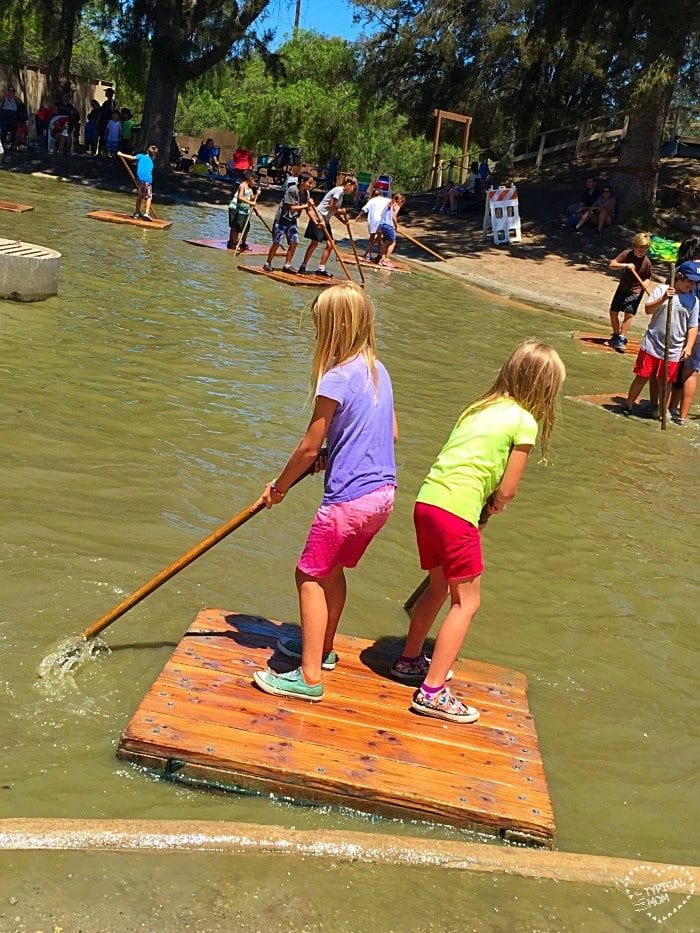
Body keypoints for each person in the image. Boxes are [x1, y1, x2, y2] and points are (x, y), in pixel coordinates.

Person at [390, 340, 566, 723]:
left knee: (439, 586)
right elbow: (507, 488)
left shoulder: (479, 407)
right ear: (546, 388)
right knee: (467, 602)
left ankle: (409, 661)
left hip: (428, 502)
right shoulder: (525, 421)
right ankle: (432, 691)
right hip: (457, 512)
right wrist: (495, 505)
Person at [253, 282, 397, 701]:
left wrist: (278, 488)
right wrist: (337, 452)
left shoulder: (336, 377)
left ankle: (309, 678)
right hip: (382, 496)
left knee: (309, 575)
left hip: (348, 500)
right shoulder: (377, 370)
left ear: (332, 329)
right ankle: (325, 649)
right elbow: (390, 432)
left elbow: (308, 447)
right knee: (332, 571)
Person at [625, 261, 700, 418]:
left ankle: (661, 412)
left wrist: (688, 346)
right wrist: (664, 298)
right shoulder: (662, 289)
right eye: (689, 281)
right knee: (642, 376)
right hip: (652, 344)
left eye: (695, 282)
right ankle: (629, 405)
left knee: (666, 383)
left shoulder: (694, 301)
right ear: (679, 277)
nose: (692, 285)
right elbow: (648, 309)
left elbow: (693, 326)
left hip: (674, 349)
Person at [298, 175, 358, 278]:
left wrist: (344, 221)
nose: (352, 191)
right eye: (353, 188)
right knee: (314, 243)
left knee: (330, 244)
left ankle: (321, 268)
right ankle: (303, 265)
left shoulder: (341, 194)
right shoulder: (338, 191)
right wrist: (343, 211)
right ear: (349, 185)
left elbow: (334, 211)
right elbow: (332, 207)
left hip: (325, 219)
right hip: (319, 217)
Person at [606, 233, 653, 352]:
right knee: (613, 311)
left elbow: (648, 277)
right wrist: (626, 265)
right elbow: (612, 265)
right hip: (623, 288)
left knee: (629, 314)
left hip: (636, 291)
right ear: (634, 246)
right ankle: (616, 335)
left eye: (644, 251)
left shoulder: (646, 262)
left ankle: (622, 337)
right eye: (639, 250)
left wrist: (645, 284)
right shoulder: (626, 254)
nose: (641, 253)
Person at [264, 172, 315, 273]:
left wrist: (315, 221)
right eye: (309, 182)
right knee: (277, 242)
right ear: (302, 181)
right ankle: (268, 263)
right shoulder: (292, 190)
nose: (311, 185)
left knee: (294, 242)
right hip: (282, 220)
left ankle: (287, 265)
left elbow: (308, 209)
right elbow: (291, 208)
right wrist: (307, 206)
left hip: (292, 220)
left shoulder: (306, 193)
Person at [121, 145, 159, 221]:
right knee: (148, 197)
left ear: (147, 151)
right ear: (154, 156)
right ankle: (146, 213)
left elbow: (132, 158)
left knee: (140, 196)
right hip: (147, 181)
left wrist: (121, 154)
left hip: (139, 180)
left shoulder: (140, 156)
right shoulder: (151, 162)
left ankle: (137, 212)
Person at [354, 188, 391, 260]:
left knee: (372, 237)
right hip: (383, 221)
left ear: (373, 195)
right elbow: (392, 204)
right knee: (380, 237)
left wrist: (359, 215)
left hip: (374, 220)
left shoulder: (372, 200)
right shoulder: (386, 200)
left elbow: (364, 209)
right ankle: (381, 255)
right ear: (381, 194)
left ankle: (368, 253)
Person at [226, 170, 258, 251]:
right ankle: (232, 242)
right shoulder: (242, 186)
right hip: (236, 209)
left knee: (246, 228)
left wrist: (257, 195)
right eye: (254, 180)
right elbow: (240, 197)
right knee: (235, 226)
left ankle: (243, 244)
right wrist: (251, 202)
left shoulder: (250, 189)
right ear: (250, 179)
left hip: (244, 210)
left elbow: (252, 201)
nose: (254, 182)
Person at [378, 193, 406, 267]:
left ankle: (381, 258)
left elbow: (382, 214)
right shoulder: (397, 206)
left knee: (386, 242)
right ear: (400, 201)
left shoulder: (389, 204)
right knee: (392, 242)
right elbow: (393, 217)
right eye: (402, 203)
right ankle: (386, 260)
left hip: (382, 224)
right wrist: (397, 227)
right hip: (388, 225)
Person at [0, 85, 27, 150]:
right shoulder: (4, 98)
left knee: (13, 132)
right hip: (5, 115)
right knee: (4, 132)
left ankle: (12, 146)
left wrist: (15, 97)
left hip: (13, 116)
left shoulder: (15, 99)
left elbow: (21, 105)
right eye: (9, 91)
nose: (10, 92)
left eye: (12, 91)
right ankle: (3, 145)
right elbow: (0, 106)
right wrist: (4, 97)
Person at [96, 87, 117, 155]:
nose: (105, 93)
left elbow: (112, 111)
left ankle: (105, 151)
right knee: (101, 136)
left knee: (105, 137)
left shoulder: (111, 102)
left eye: (107, 92)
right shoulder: (106, 102)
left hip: (107, 122)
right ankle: (100, 151)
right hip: (103, 121)